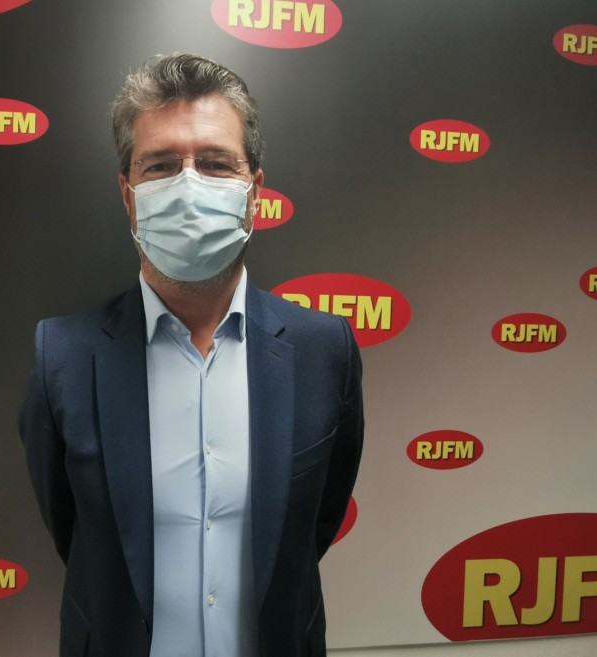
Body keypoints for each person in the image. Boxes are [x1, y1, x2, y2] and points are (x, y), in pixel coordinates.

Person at [19, 52, 364, 657]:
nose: (188, 186)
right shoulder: (64, 358)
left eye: (215, 163)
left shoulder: (322, 351)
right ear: (128, 195)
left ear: (254, 192)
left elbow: (313, 528)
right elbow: (76, 534)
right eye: (160, 165)